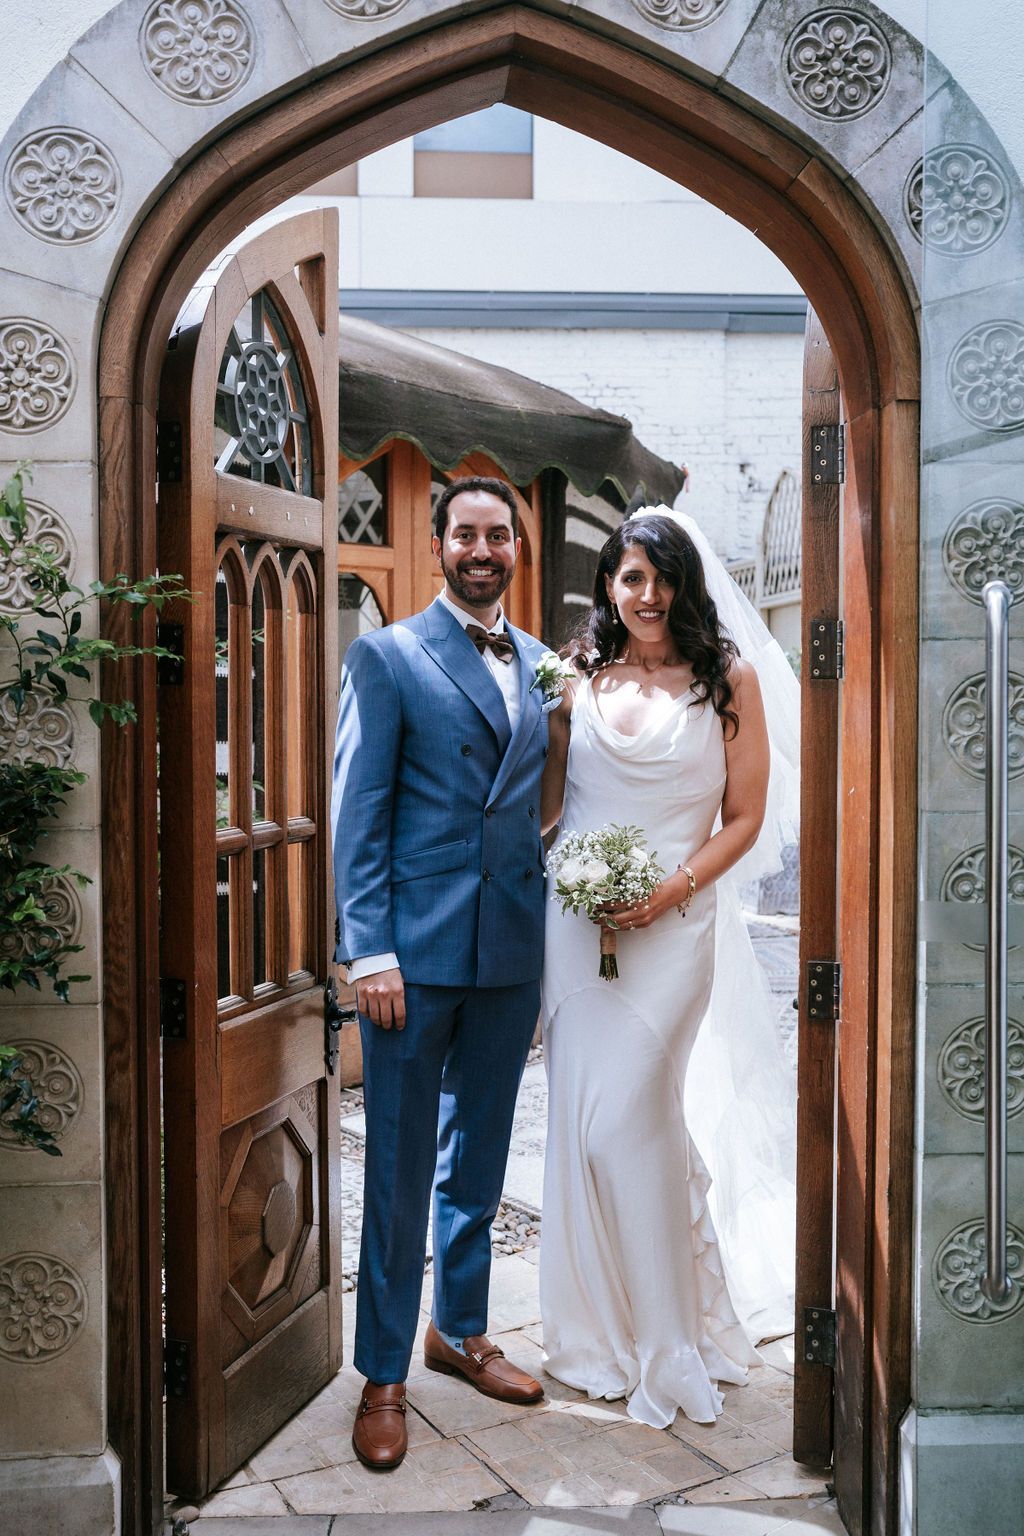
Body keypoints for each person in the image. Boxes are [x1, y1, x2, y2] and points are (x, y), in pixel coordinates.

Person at [539, 507, 798, 1430]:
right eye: (630, 578)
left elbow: (744, 819)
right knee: (581, 1123)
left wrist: (663, 892)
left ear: (687, 584)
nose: (647, 597)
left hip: (675, 929)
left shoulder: (728, 680)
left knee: (630, 1123)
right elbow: (548, 800)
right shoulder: (575, 679)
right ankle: (593, 1330)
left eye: (663, 578)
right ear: (609, 584)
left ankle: (670, 1343)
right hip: (574, 931)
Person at [331, 476, 553, 1471]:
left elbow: (537, 800)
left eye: (497, 534)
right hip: (409, 963)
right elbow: (357, 808)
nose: (481, 547)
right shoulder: (385, 654)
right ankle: (383, 1372)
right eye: (464, 532)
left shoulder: (545, 666)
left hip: (509, 952)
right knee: (399, 1168)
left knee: (480, 1162)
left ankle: (459, 1332)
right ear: (436, 547)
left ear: (517, 549)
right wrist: (368, 949)